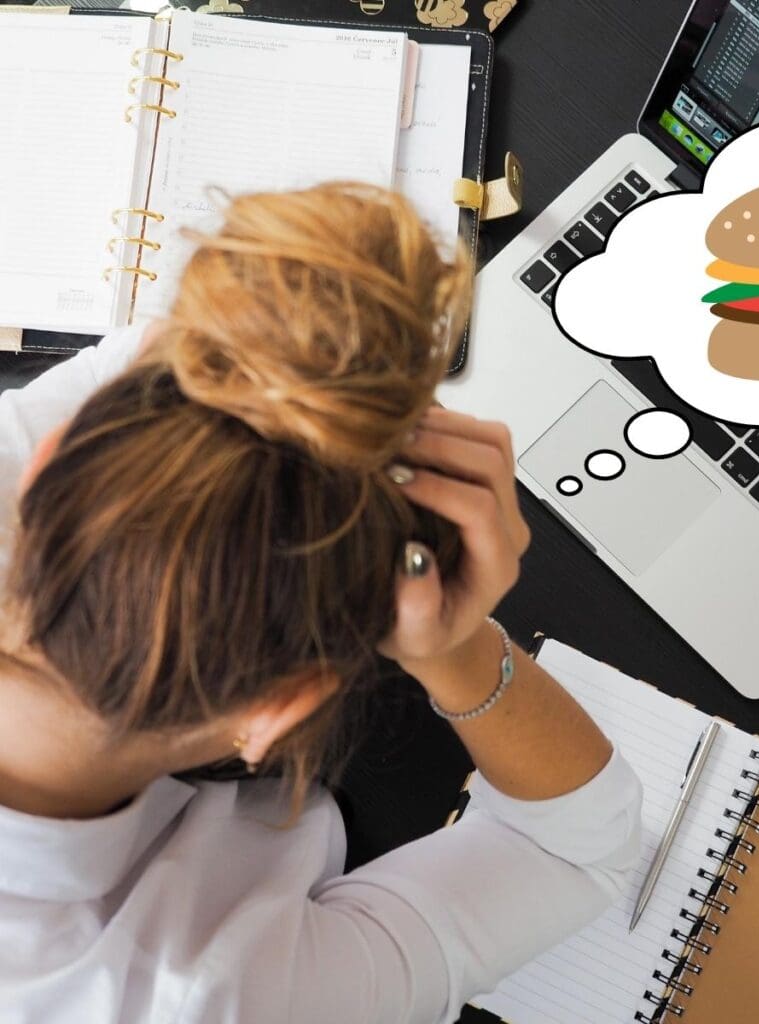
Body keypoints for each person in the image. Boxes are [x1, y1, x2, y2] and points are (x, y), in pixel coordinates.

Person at [0, 183, 643, 1023]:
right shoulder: (207, 999)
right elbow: (576, 848)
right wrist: (455, 651)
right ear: (277, 715)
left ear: (45, 464)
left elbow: (161, 351)